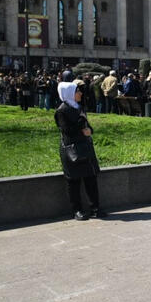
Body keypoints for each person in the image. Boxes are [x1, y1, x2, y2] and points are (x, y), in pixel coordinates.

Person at [54, 81, 106, 220]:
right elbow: (67, 131)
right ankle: (77, 210)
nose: (80, 93)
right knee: (74, 181)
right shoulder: (61, 111)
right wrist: (82, 127)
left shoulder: (79, 107)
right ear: (69, 93)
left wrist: (90, 130)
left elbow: (87, 125)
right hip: (72, 149)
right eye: (77, 91)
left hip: (85, 147)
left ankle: (95, 208)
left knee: (91, 178)